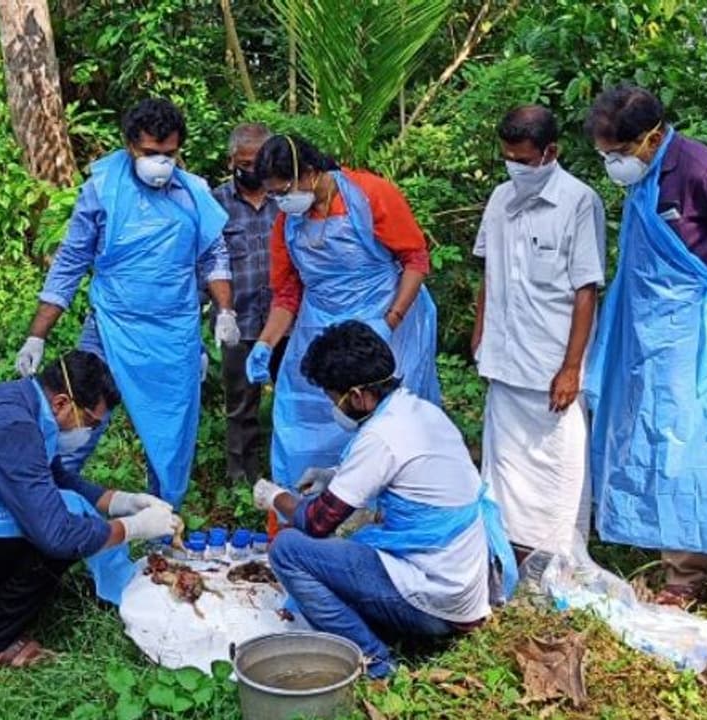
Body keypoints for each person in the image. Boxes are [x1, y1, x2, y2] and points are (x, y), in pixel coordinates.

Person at [583, 84, 707, 605]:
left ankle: (687, 574)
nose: (612, 163)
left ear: (651, 137)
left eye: (618, 153)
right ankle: (647, 533)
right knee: (641, 429)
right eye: (605, 155)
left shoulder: (697, 168)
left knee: (686, 439)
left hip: (687, 327)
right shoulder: (645, 177)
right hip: (642, 323)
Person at [251, 321, 517, 678]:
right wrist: (333, 476)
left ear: (358, 395)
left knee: (287, 548)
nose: (335, 408)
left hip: (436, 601)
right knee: (346, 545)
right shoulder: (419, 411)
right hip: (462, 584)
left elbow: (317, 522)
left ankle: (375, 662)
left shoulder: (381, 436)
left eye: (335, 398)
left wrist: (276, 496)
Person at [0, 350, 178, 669]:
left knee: (54, 512)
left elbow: (53, 477)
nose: (90, 433)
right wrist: (133, 528)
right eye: (90, 423)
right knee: (60, 533)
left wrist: (124, 501)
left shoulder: (21, 401)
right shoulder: (10, 427)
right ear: (62, 403)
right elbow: (58, 536)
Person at [14, 97, 236, 507]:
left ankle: (162, 532)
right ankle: (45, 516)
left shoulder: (195, 195)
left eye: (169, 154)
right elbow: (71, 262)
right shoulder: (102, 190)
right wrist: (36, 336)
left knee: (169, 444)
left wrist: (225, 312)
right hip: (110, 330)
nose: (160, 163)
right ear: (130, 145)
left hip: (174, 335)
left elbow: (213, 256)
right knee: (73, 428)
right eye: (151, 153)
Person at [248, 134, 441, 487]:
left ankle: (382, 511)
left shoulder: (370, 194)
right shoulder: (287, 224)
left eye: (283, 190)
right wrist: (265, 343)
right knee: (299, 418)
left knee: (383, 419)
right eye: (273, 194)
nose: (279, 201)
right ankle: (301, 515)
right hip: (320, 326)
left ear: (309, 173)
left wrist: (390, 321)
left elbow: (415, 259)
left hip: (384, 324)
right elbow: (287, 294)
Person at [472, 105, 606, 560]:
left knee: (558, 467)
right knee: (504, 466)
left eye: (525, 160)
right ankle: (505, 550)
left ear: (552, 152)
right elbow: (489, 273)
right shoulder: (499, 200)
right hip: (504, 357)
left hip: (552, 363)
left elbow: (586, 290)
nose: (516, 168)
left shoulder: (579, 201)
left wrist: (572, 367)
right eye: (509, 158)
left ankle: (558, 555)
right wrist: (480, 335)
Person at [210, 122, 286, 482]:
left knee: (291, 399)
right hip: (237, 322)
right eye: (245, 161)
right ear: (231, 161)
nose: (253, 169)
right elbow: (205, 262)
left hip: (285, 321)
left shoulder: (284, 200)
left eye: (260, 162)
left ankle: (286, 473)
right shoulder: (214, 203)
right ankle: (241, 478)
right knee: (241, 404)